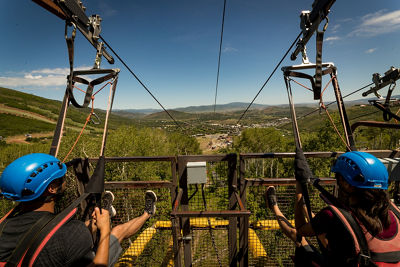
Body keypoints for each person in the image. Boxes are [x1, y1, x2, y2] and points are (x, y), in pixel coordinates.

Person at [0, 153, 157, 266]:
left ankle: (105, 213)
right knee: (117, 232)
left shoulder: (4, 226)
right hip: (73, 251)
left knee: (88, 226)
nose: (64, 181)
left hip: (51, 244)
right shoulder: (69, 234)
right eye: (61, 179)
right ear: (52, 188)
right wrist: (105, 229)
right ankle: (147, 214)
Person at [265, 150, 400, 266]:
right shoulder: (393, 212)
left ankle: (274, 206)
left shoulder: (332, 216)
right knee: (327, 234)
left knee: (298, 238)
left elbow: (300, 230)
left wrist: (300, 187)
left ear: (345, 183)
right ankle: (305, 208)